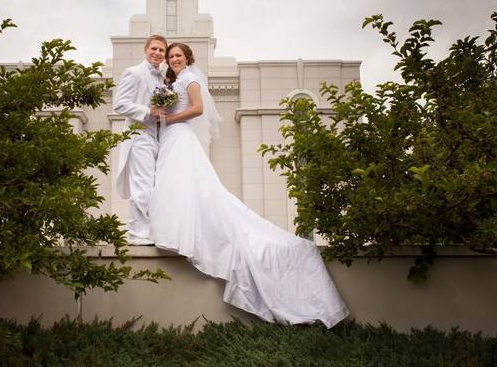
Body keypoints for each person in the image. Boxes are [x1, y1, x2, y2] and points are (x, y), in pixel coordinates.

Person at [149, 42, 349, 326]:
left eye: (178, 55)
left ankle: (185, 235)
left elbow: (197, 108)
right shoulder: (174, 81)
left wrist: (170, 117)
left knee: (192, 185)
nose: (174, 59)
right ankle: (173, 231)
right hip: (172, 137)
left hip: (180, 134)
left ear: (187, 57)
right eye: (171, 57)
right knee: (178, 185)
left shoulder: (191, 78)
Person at [112, 35, 168, 245]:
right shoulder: (133, 73)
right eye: (154, 49)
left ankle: (151, 231)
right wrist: (148, 111)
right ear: (146, 50)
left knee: (153, 187)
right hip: (138, 135)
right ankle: (137, 234)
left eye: (161, 50)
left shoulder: (161, 79)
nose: (157, 53)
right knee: (142, 185)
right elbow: (119, 104)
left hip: (156, 138)